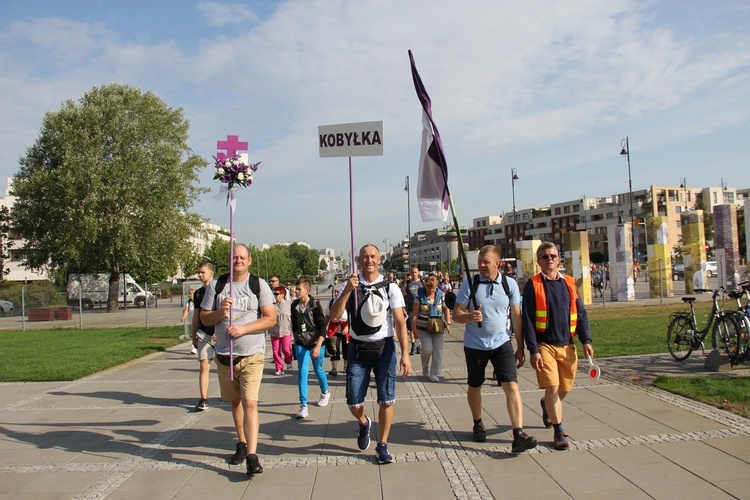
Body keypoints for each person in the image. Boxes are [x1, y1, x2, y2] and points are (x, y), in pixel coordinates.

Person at [329, 244, 412, 464]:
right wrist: (347, 290)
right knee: (354, 402)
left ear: (379, 259)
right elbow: (335, 316)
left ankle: (382, 444)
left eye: (373, 256)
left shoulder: (390, 287)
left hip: (384, 348)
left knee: (387, 399)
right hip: (357, 349)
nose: (369, 260)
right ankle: (364, 422)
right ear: (358, 259)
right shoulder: (350, 286)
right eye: (365, 257)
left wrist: (406, 354)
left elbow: (400, 322)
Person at [452, 245, 537, 454]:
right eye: (480, 261)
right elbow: (456, 314)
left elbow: (516, 316)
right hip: (475, 345)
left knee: (511, 385)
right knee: (475, 385)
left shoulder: (509, 284)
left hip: (502, 343)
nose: (481, 265)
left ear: (497, 263)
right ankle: (478, 422)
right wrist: (469, 316)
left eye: (486, 262)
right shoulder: (470, 284)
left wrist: (520, 346)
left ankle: (518, 433)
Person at [200, 244, 276, 478]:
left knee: (250, 402)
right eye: (234, 257)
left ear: (249, 261)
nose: (238, 260)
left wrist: (244, 329)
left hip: (252, 354)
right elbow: (204, 317)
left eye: (242, 257)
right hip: (225, 356)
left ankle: (252, 456)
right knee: (235, 402)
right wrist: (221, 312)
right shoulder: (217, 285)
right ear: (229, 260)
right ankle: (241, 443)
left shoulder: (259, 285)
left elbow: (270, 319)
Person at [522, 242, 593, 451]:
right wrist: (533, 350)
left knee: (564, 388)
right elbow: (527, 319)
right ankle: (559, 429)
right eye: (545, 256)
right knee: (552, 387)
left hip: (567, 345)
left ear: (559, 259)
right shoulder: (533, 285)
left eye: (553, 255)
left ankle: (547, 405)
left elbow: (581, 315)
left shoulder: (570, 283)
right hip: (545, 345)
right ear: (539, 262)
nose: (549, 259)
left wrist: (586, 340)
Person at [290, 279, 330, 419]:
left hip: (316, 342)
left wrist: (318, 346)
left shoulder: (315, 305)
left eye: (299, 289)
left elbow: (322, 328)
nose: (296, 291)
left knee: (318, 370)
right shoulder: (294, 305)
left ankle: (325, 392)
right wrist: (295, 340)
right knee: (302, 372)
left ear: (307, 290)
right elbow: (295, 325)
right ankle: (303, 405)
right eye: (296, 288)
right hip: (301, 342)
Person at [412, 274, 451, 382]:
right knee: (427, 350)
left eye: (433, 288)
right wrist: (414, 328)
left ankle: (434, 373)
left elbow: (446, 308)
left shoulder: (441, 294)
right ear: (425, 286)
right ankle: (425, 368)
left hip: (438, 326)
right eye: (429, 287)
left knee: (438, 350)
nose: (431, 290)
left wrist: (448, 322)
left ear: (436, 286)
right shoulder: (419, 296)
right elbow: (415, 313)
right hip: (424, 327)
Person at [192, 263, 216, 411]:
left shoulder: (220, 290)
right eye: (199, 273)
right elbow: (196, 315)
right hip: (204, 333)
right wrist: (194, 336)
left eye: (203, 272)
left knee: (225, 366)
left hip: (220, 333)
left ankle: (230, 393)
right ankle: (204, 398)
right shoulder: (198, 293)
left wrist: (220, 330)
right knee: (204, 365)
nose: (200, 275)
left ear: (211, 274)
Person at [269, 286, 293, 375]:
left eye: (277, 294)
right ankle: (279, 368)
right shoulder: (272, 305)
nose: (275, 295)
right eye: (274, 293)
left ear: (283, 295)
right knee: (276, 350)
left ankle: (289, 361)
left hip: (286, 329)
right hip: (274, 330)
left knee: (286, 349)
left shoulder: (289, 304)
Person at [401, 266, 423, 355]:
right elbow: (401, 295)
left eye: (415, 272)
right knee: (411, 328)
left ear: (418, 273)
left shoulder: (422, 282)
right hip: (410, 308)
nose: (414, 274)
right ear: (410, 273)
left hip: (421, 309)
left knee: (420, 328)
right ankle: (413, 345)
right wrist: (402, 307)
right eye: (412, 272)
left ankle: (419, 345)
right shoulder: (407, 283)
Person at [181, 288, 198, 354]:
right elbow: (186, 310)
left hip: (200, 321)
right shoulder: (188, 302)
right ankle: (194, 348)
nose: (189, 295)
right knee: (194, 334)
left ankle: (198, 347)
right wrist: (183, 317)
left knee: (199, 335)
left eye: (191, 294)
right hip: (193, 321)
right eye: (189, 294)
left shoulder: (198, 301)